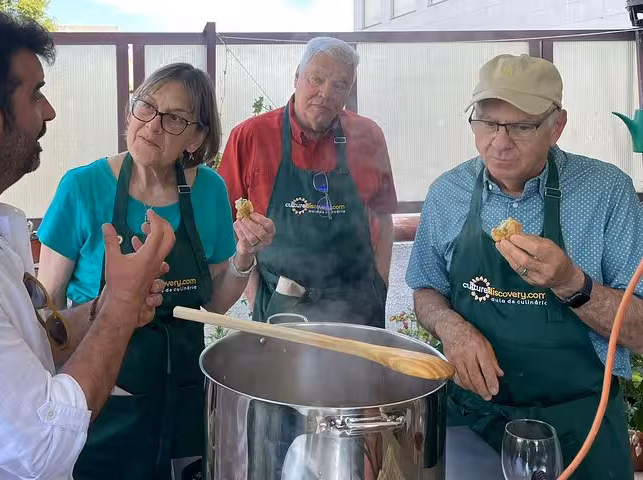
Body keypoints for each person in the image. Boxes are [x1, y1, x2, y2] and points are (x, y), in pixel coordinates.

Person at [0, 7, 176, 480]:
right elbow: (45, 443)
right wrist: (121, 303)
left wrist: (100, 311)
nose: (50, 112)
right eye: (36, 94)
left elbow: (27, 344)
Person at [406, 53, 643, 478]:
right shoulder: (448, 192)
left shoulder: (607, 193)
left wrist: (572, 283)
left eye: (521, 126)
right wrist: (451, 326)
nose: (499, 141)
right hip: (473, 422)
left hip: (580, 426)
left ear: (557, 126)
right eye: (488, 122)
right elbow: (426, 288)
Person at [36, 62, 275, 479]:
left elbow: (213, 300)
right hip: (103, 403)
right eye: (145, 106)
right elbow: (48, 310)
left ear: (198, 136)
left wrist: (242, 257)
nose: (152, 125)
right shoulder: (82, 187)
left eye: (175, 119)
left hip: (186, 401)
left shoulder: (209, 190)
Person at [218, 36, 397, 327]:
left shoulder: (369, 136)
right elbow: (229, 225)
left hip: (357, 306)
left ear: (349, 92)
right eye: (317, 78)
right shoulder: (250, 137)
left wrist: (380, 285)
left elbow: (384, 218)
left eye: (340, 85)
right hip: (280, 304)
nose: (325, 93)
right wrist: (254, 297)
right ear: (296, 77)